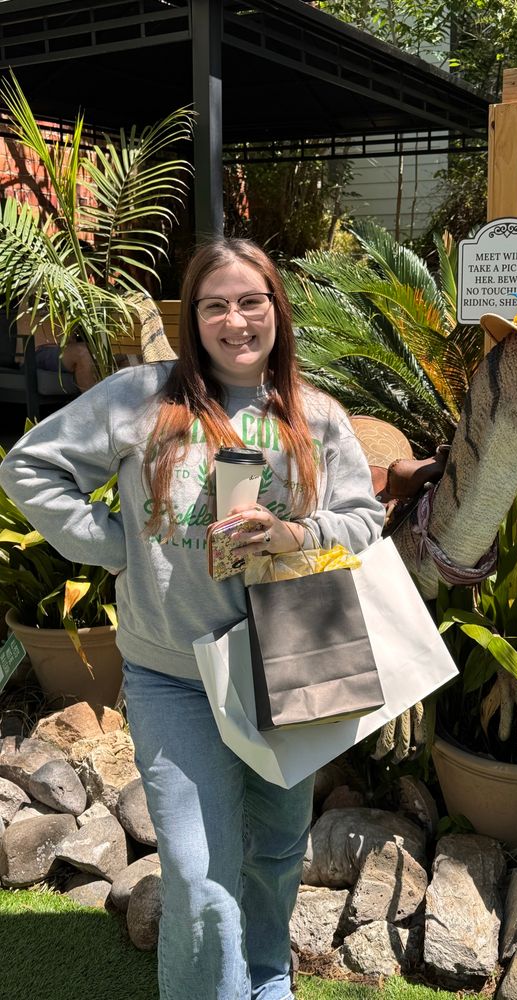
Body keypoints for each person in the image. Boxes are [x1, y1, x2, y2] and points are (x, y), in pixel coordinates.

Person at [0, 238, 384, 1000]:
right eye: (215, 305)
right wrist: (114, 547)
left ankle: (268, 985)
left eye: (251, 301)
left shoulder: (316, 415)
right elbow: (29, 466)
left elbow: (364, 519)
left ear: (277, 308)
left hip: (288, 668)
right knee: (198, 874)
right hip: (173, 676)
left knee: (275, 856)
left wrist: (297, 534)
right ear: (192, 318)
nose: (235, 320)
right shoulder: (141, 398)